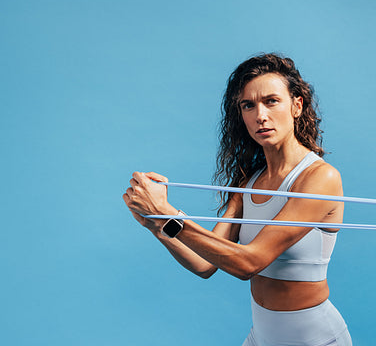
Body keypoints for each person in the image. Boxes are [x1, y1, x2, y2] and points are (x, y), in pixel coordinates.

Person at [123, 53, 352, 346]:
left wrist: (168, 214)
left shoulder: (320, 178)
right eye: (248, 105)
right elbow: (204, 264)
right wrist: (156, 223)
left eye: (271, 101)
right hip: (261, 337)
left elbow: (249, 263)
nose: (260, 115)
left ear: (296, 105)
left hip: (314, 339)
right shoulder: (249, 182)